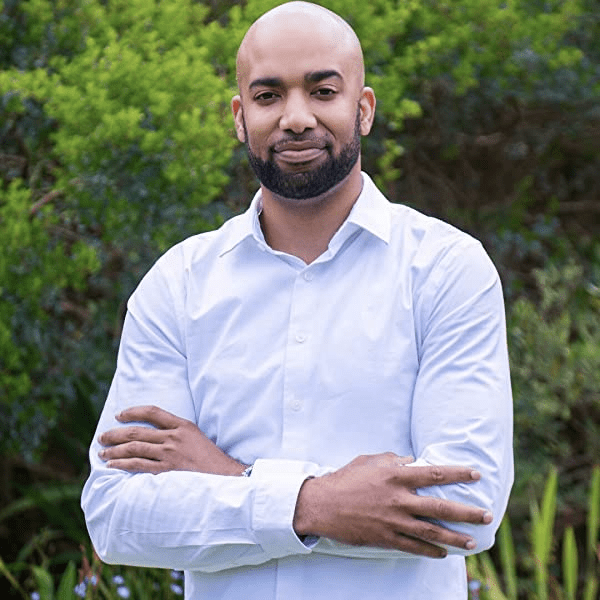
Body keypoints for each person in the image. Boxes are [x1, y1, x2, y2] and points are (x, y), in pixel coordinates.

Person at [81, 2, 513, 598]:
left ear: (363, 109)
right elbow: (117, 515)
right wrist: (319, 504)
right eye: (268, 96)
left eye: (323, 91)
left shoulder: (446, 270)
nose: (296, 118)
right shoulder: (177, 284)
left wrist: (232, 477)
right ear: (240, 118)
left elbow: (465, 506)